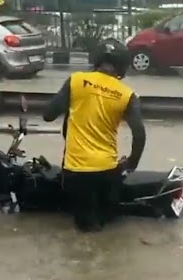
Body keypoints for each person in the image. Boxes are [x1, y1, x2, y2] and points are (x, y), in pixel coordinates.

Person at [42, 39, 146, 232]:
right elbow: (139, 134)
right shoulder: (127, 95)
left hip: (77, 173)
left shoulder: (75, 81)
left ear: (96, 59)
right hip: (108, 172)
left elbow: (48, 115)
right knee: (105, 229)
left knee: (86, 234)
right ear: (123, 66)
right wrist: (131, 164)